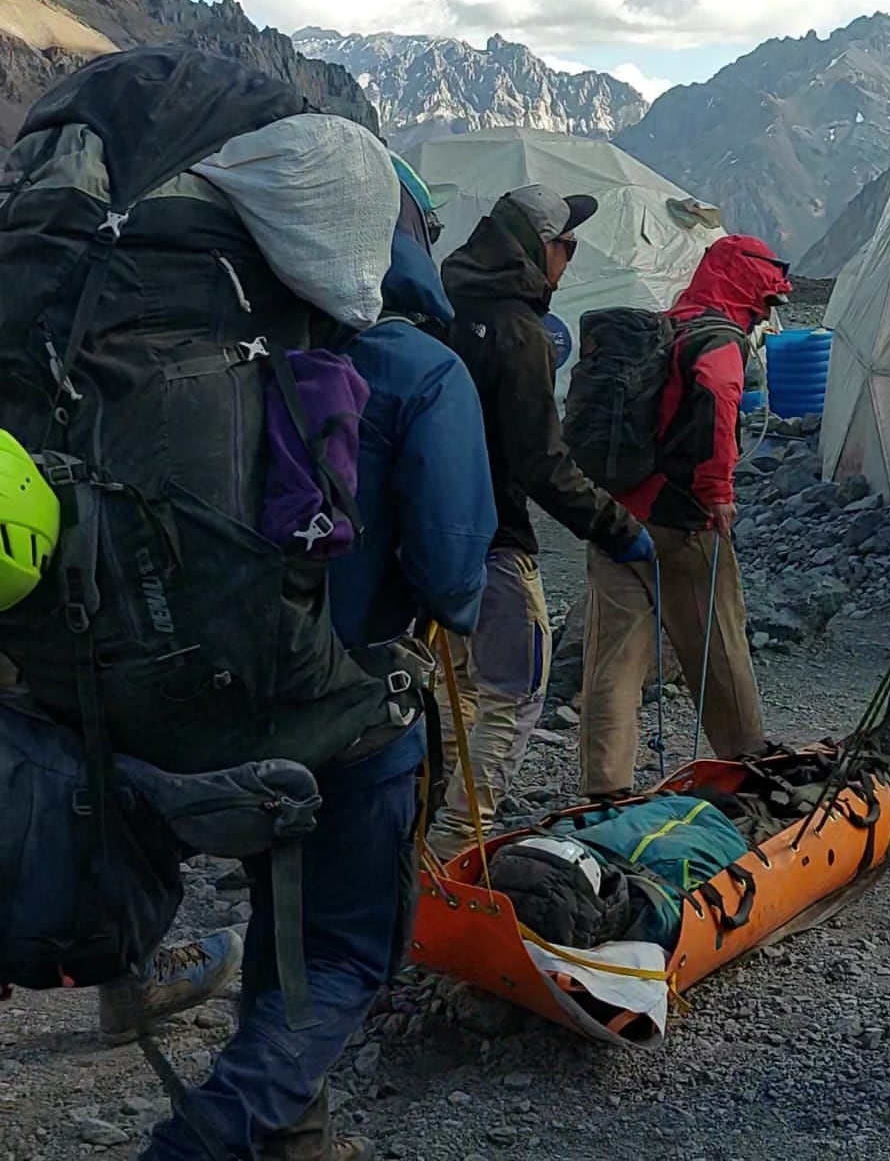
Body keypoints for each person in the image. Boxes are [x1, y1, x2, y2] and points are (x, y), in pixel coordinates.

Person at [143, 194, 497, 1161]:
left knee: (281, 906)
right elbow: (451, 576)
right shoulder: (420, 369)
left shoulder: (204, 353)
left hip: (206, 704)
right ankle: (202, 1145)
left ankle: (294, 1137)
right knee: (346, 948)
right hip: (351, 712)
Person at [428, 185, 651, 860]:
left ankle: (424, 833)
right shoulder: (520, 332)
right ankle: (456, 844)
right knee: (513, 692)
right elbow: (539, 460)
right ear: (540, 247)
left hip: (433, 537)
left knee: (453, 686)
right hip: (495, 537)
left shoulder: (442, 308)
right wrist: (615, 526)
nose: (570, 261)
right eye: (567, 246)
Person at [577, 235, 788, 800]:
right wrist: (717, 487)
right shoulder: (720, 339)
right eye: (768, 303)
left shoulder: (665, 329)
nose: (768, 315)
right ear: (749, 287)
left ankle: (605, 787)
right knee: (717, 640)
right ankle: (746, 762)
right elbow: (719, 391)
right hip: (680, 519)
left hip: (618, 512)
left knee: (613, 657)